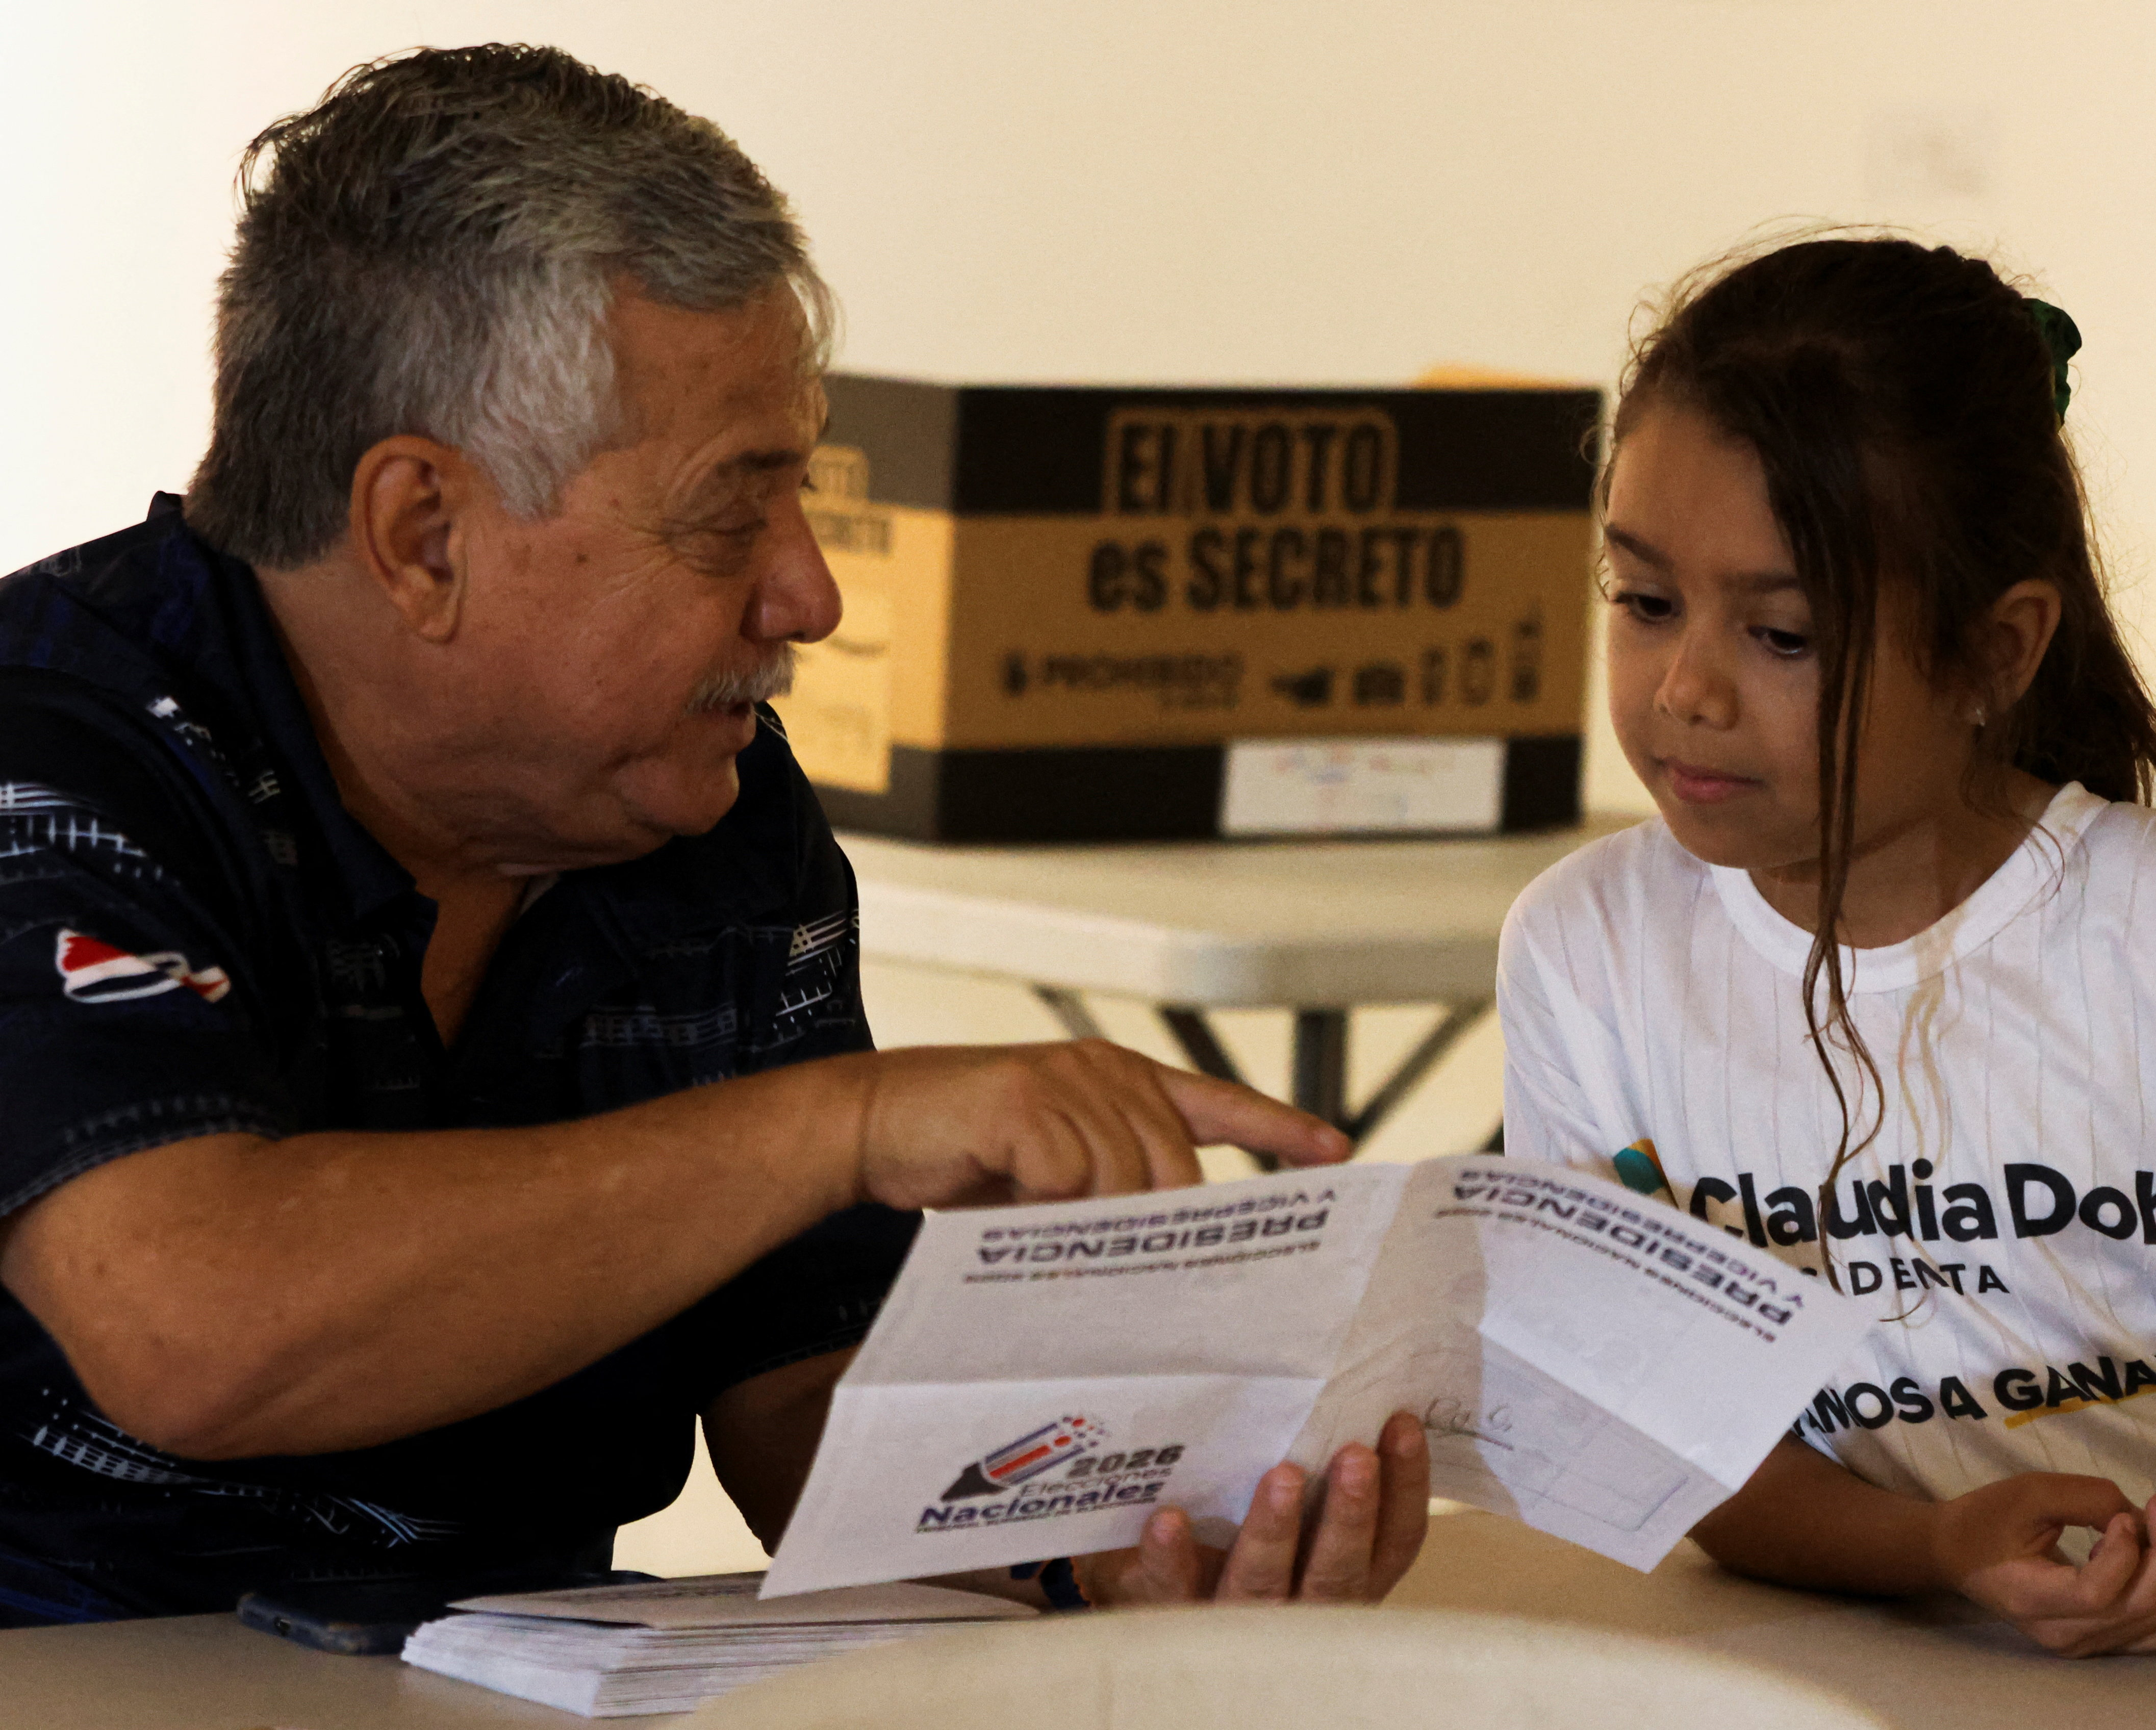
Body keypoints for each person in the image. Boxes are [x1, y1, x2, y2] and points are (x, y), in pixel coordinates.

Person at [0, 44, 1427, 1626]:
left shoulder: (706, 810)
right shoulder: (52, 753)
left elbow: (804, 1406)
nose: (807, 594)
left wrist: (1110, 1539)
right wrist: (838, 1124)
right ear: (422, 534)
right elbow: (197, 1326)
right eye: (728, 510)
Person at [1496, 237, 2156, 1695]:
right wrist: (1933, 1546)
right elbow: (1661, 1427)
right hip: (1928, 1719)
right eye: (1643, 599)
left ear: (1995, 651)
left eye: (1780, 631)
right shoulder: (1582, 953)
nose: (1684, 688)